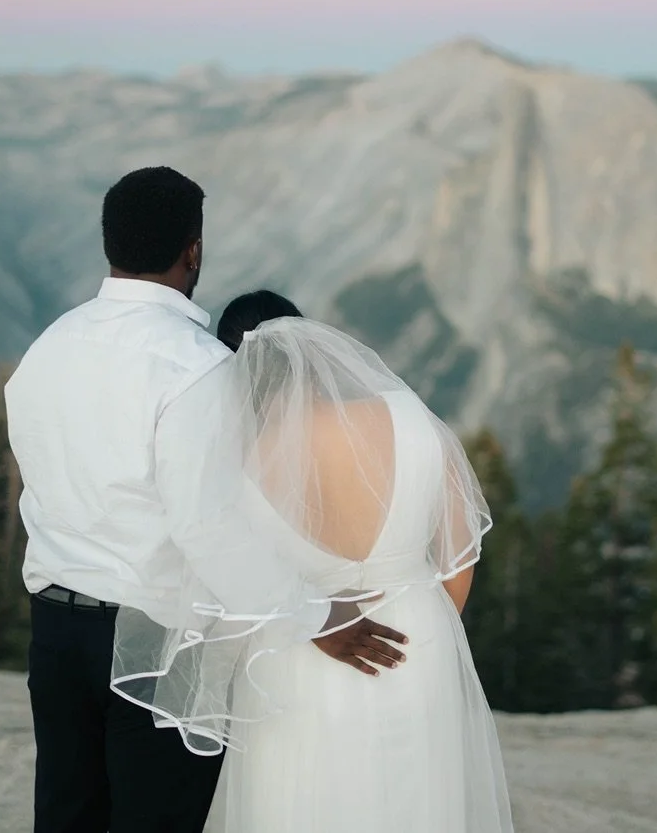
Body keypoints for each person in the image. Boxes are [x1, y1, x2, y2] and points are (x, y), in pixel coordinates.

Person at [5, 168, 407, 833]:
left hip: (53, 627)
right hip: (154, 640)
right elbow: (210, 527)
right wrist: (317, 616)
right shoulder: (197, 369)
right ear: (193, 249)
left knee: (67, 816)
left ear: (111, 244)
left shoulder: (49, 346)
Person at [110, 290, 516, 833]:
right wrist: (425, 630)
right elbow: (458, 558)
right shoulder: (412, 418)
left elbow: (222, 576)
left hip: (300, 658)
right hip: (419, 648)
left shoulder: (240, 463)